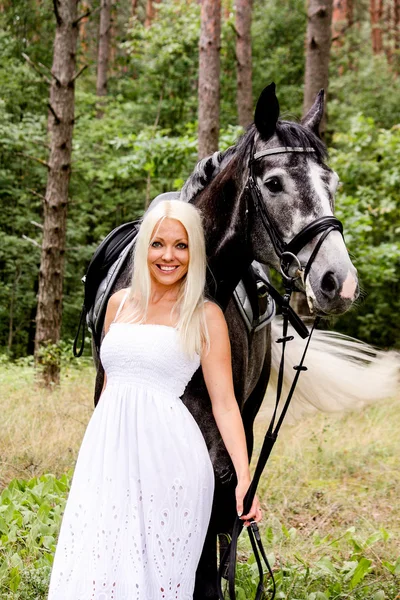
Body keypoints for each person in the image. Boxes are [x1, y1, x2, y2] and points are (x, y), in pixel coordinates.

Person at [47, 199, 262, 600]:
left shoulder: (205, 315)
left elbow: (225, 404)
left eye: (181, 246)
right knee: (98, 559)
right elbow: (111, 386)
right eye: (158, 244)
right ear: (144, 246)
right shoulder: (118, 304)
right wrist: (99, 449)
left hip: (170, 461)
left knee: (153, 570)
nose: (168, 256)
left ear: (194, 252)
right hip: (107, 456)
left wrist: (244, 479)